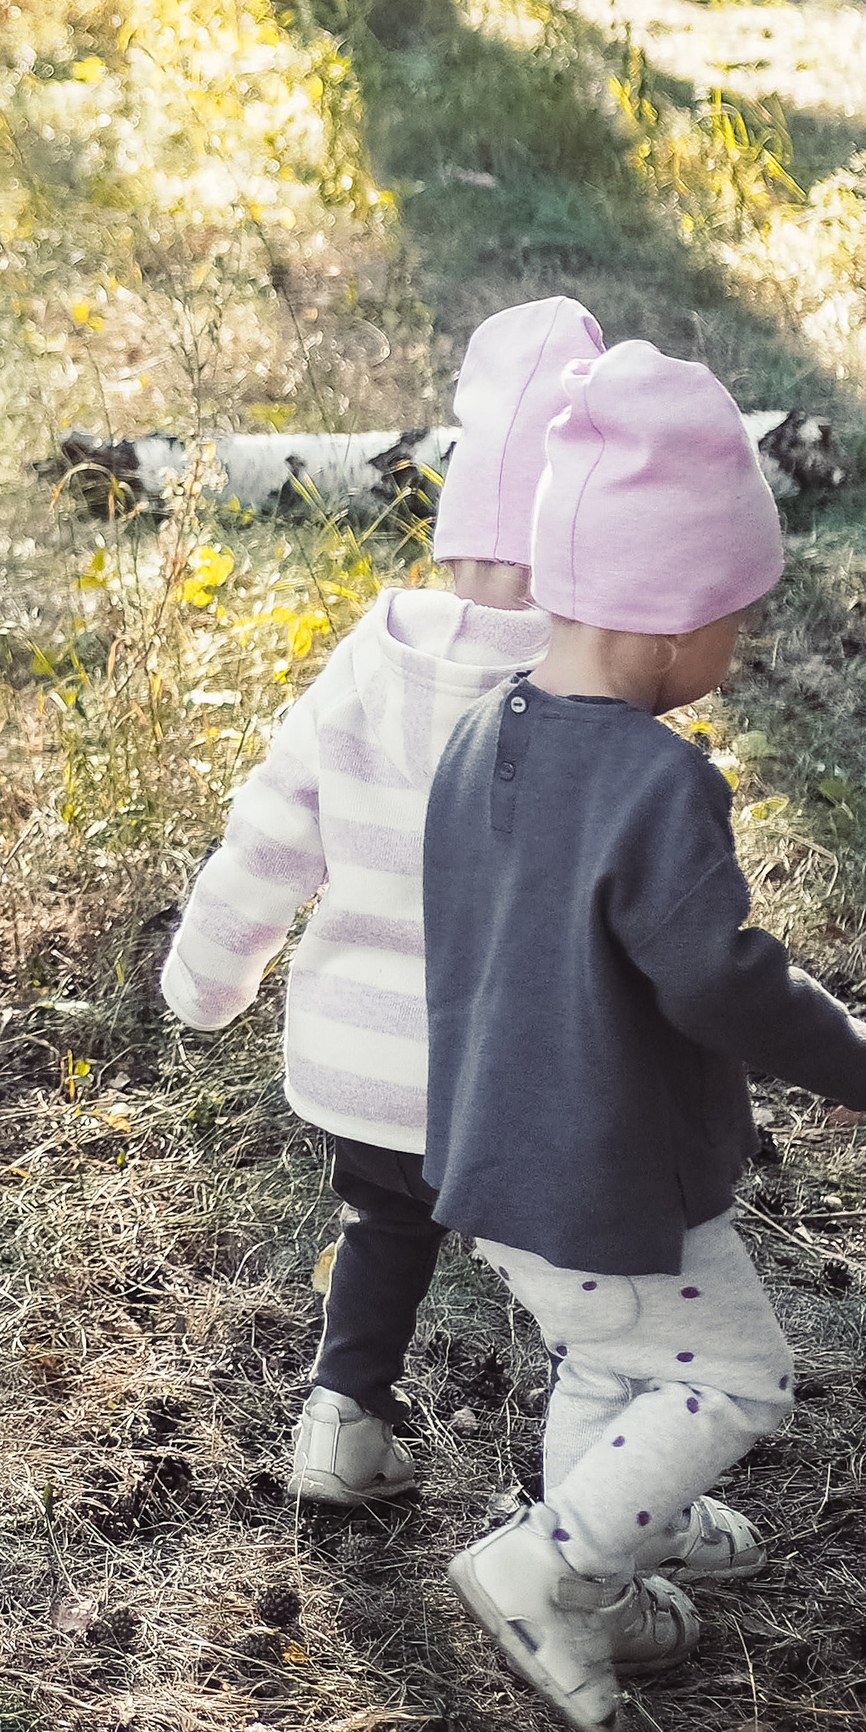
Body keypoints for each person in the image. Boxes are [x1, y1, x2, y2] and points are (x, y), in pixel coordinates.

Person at [424, 340, 866, 1732]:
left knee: (614, 1365)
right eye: (737, 616)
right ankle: (554, 1567)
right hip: (608, 1171)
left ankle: (622, 1559)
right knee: (735, 1372)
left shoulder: (473, 734)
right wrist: (852, 1053)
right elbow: (715, 977)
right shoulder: (655, 782)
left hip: (492, 1158)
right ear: (678, 614)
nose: (735, 647)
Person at [160, 296, 601, 1504]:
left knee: (383, 1223)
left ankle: (339, 1426)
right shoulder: (572, 688)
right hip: (511, 1081)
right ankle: (600, 1480)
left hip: (362, 1067)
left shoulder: (365, 660)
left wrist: (208, 973)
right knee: (578, 1279)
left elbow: (271, 825)